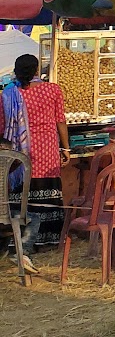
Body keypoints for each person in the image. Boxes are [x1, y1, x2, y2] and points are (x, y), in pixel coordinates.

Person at [3, 53, 66, 275]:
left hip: (19, 153)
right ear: (38, 69)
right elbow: (60, 120)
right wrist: (65, 148)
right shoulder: (52, 90)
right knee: (45, 192)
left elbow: (3, 126)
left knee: (21, 197)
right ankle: (44, 239)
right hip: (47, 148)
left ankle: (19, 241)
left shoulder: (9, 93)